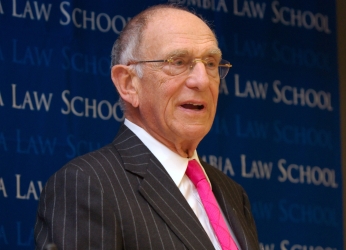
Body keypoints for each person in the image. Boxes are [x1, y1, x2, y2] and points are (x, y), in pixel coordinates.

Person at [34, 4, 259, 250]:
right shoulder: (87, 185)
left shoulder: (232, 193)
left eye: (211, 63)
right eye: (178, 62)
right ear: (129, 83)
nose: (202, 80)